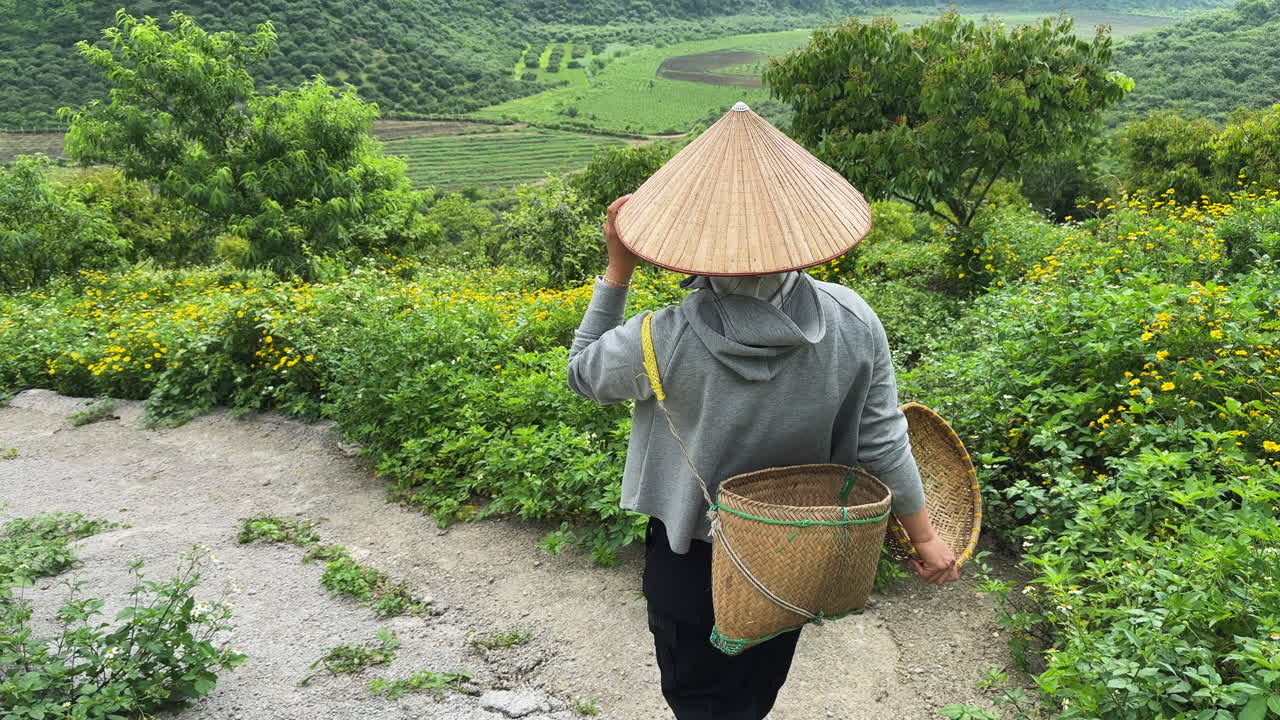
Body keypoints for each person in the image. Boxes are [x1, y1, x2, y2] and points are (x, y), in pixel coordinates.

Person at [566, 104, 958, 720]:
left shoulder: (658, 337)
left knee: (696, 696)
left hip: (689, 552)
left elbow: (582, 373)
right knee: (755, 691)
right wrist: (926, 537)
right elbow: (882, 441)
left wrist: (619, 269)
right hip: (796, 549)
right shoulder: (853, 320)